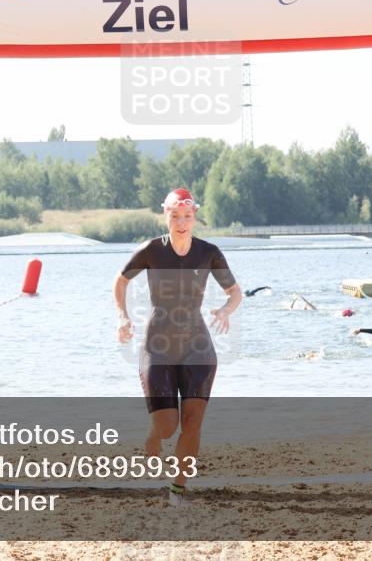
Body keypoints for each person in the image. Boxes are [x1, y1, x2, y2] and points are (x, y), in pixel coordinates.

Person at [113, 188, 242, 506]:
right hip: (158, 346)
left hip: (198, 347)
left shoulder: (208, 252)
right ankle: (154, 434)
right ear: (166, 216)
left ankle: (177, 488)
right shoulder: (151, 251)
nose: (181, 222)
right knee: (167, 427)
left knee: (193, 421)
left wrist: (226, 310)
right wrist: (122, 317)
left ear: (195, 217)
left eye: (187, 216)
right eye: (175, 216)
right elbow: (120, 281)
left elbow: (235, 291)